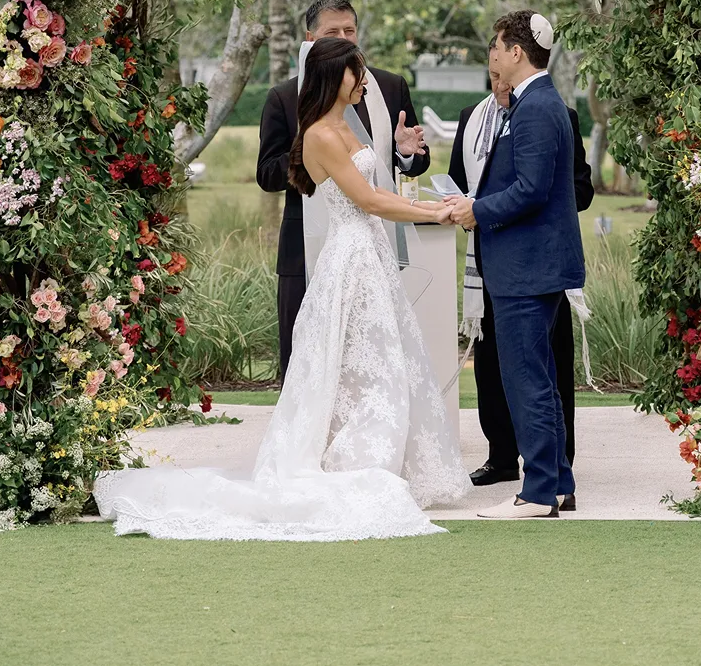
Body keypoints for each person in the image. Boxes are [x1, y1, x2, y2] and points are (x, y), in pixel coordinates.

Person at [95, 38, 468, 541]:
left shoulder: (345, 126)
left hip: (369, 255)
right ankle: (358, 463)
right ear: (333, 76)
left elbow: (380, 193)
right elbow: (369, 203)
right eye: (355, 73)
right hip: (351, 257)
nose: (363, 81)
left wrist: (431, 203)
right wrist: (435, 211)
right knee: (364, 363)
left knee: (381, 361)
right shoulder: (319, 134)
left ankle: (382, 459)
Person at [445, 11, 585, 519]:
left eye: (496, 48)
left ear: (517, 53)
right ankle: (560, 485)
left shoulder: (535, 108)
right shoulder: (533, 104)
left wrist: (474, 210)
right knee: (539, 379)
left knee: (526, 381)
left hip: (529, 268)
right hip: (532, 265)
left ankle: (538, 491)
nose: (492, 57)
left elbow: (531, 190)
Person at [257, 0, 430, 377]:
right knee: (305, 359)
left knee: (374, 355)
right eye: (332, 32)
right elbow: (266, 174)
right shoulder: (284, 97)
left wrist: (404, 152)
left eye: (349, 30)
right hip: (304, 247)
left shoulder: (388, 86)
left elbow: (417, 161)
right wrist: (313, 149)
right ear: (310, 39)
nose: (344, 38)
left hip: (373, 243)